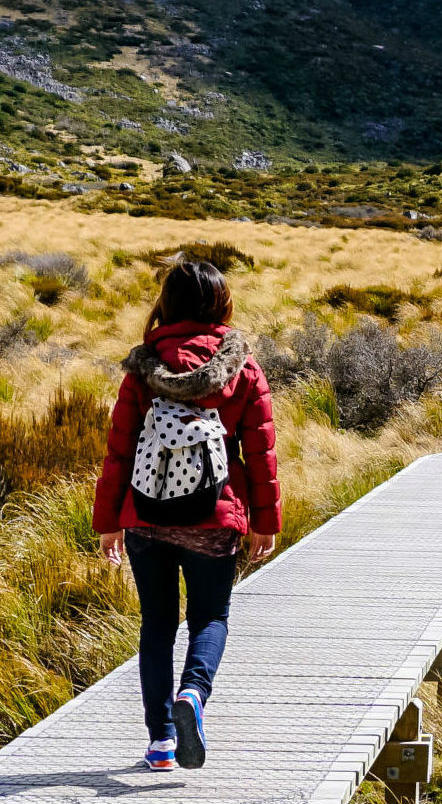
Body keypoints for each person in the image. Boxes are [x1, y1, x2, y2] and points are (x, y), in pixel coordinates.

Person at [92, 259, 281, 771]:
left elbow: (120, 450)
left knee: (156, 625)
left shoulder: (143, 367)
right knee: (210, 616)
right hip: (214, 519)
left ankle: (159, 744)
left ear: (167, 304)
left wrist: (108, 519)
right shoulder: (243, 367)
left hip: (145, 517)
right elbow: (260, 453)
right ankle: (193, 696)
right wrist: (265, 520)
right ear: (221, 303)